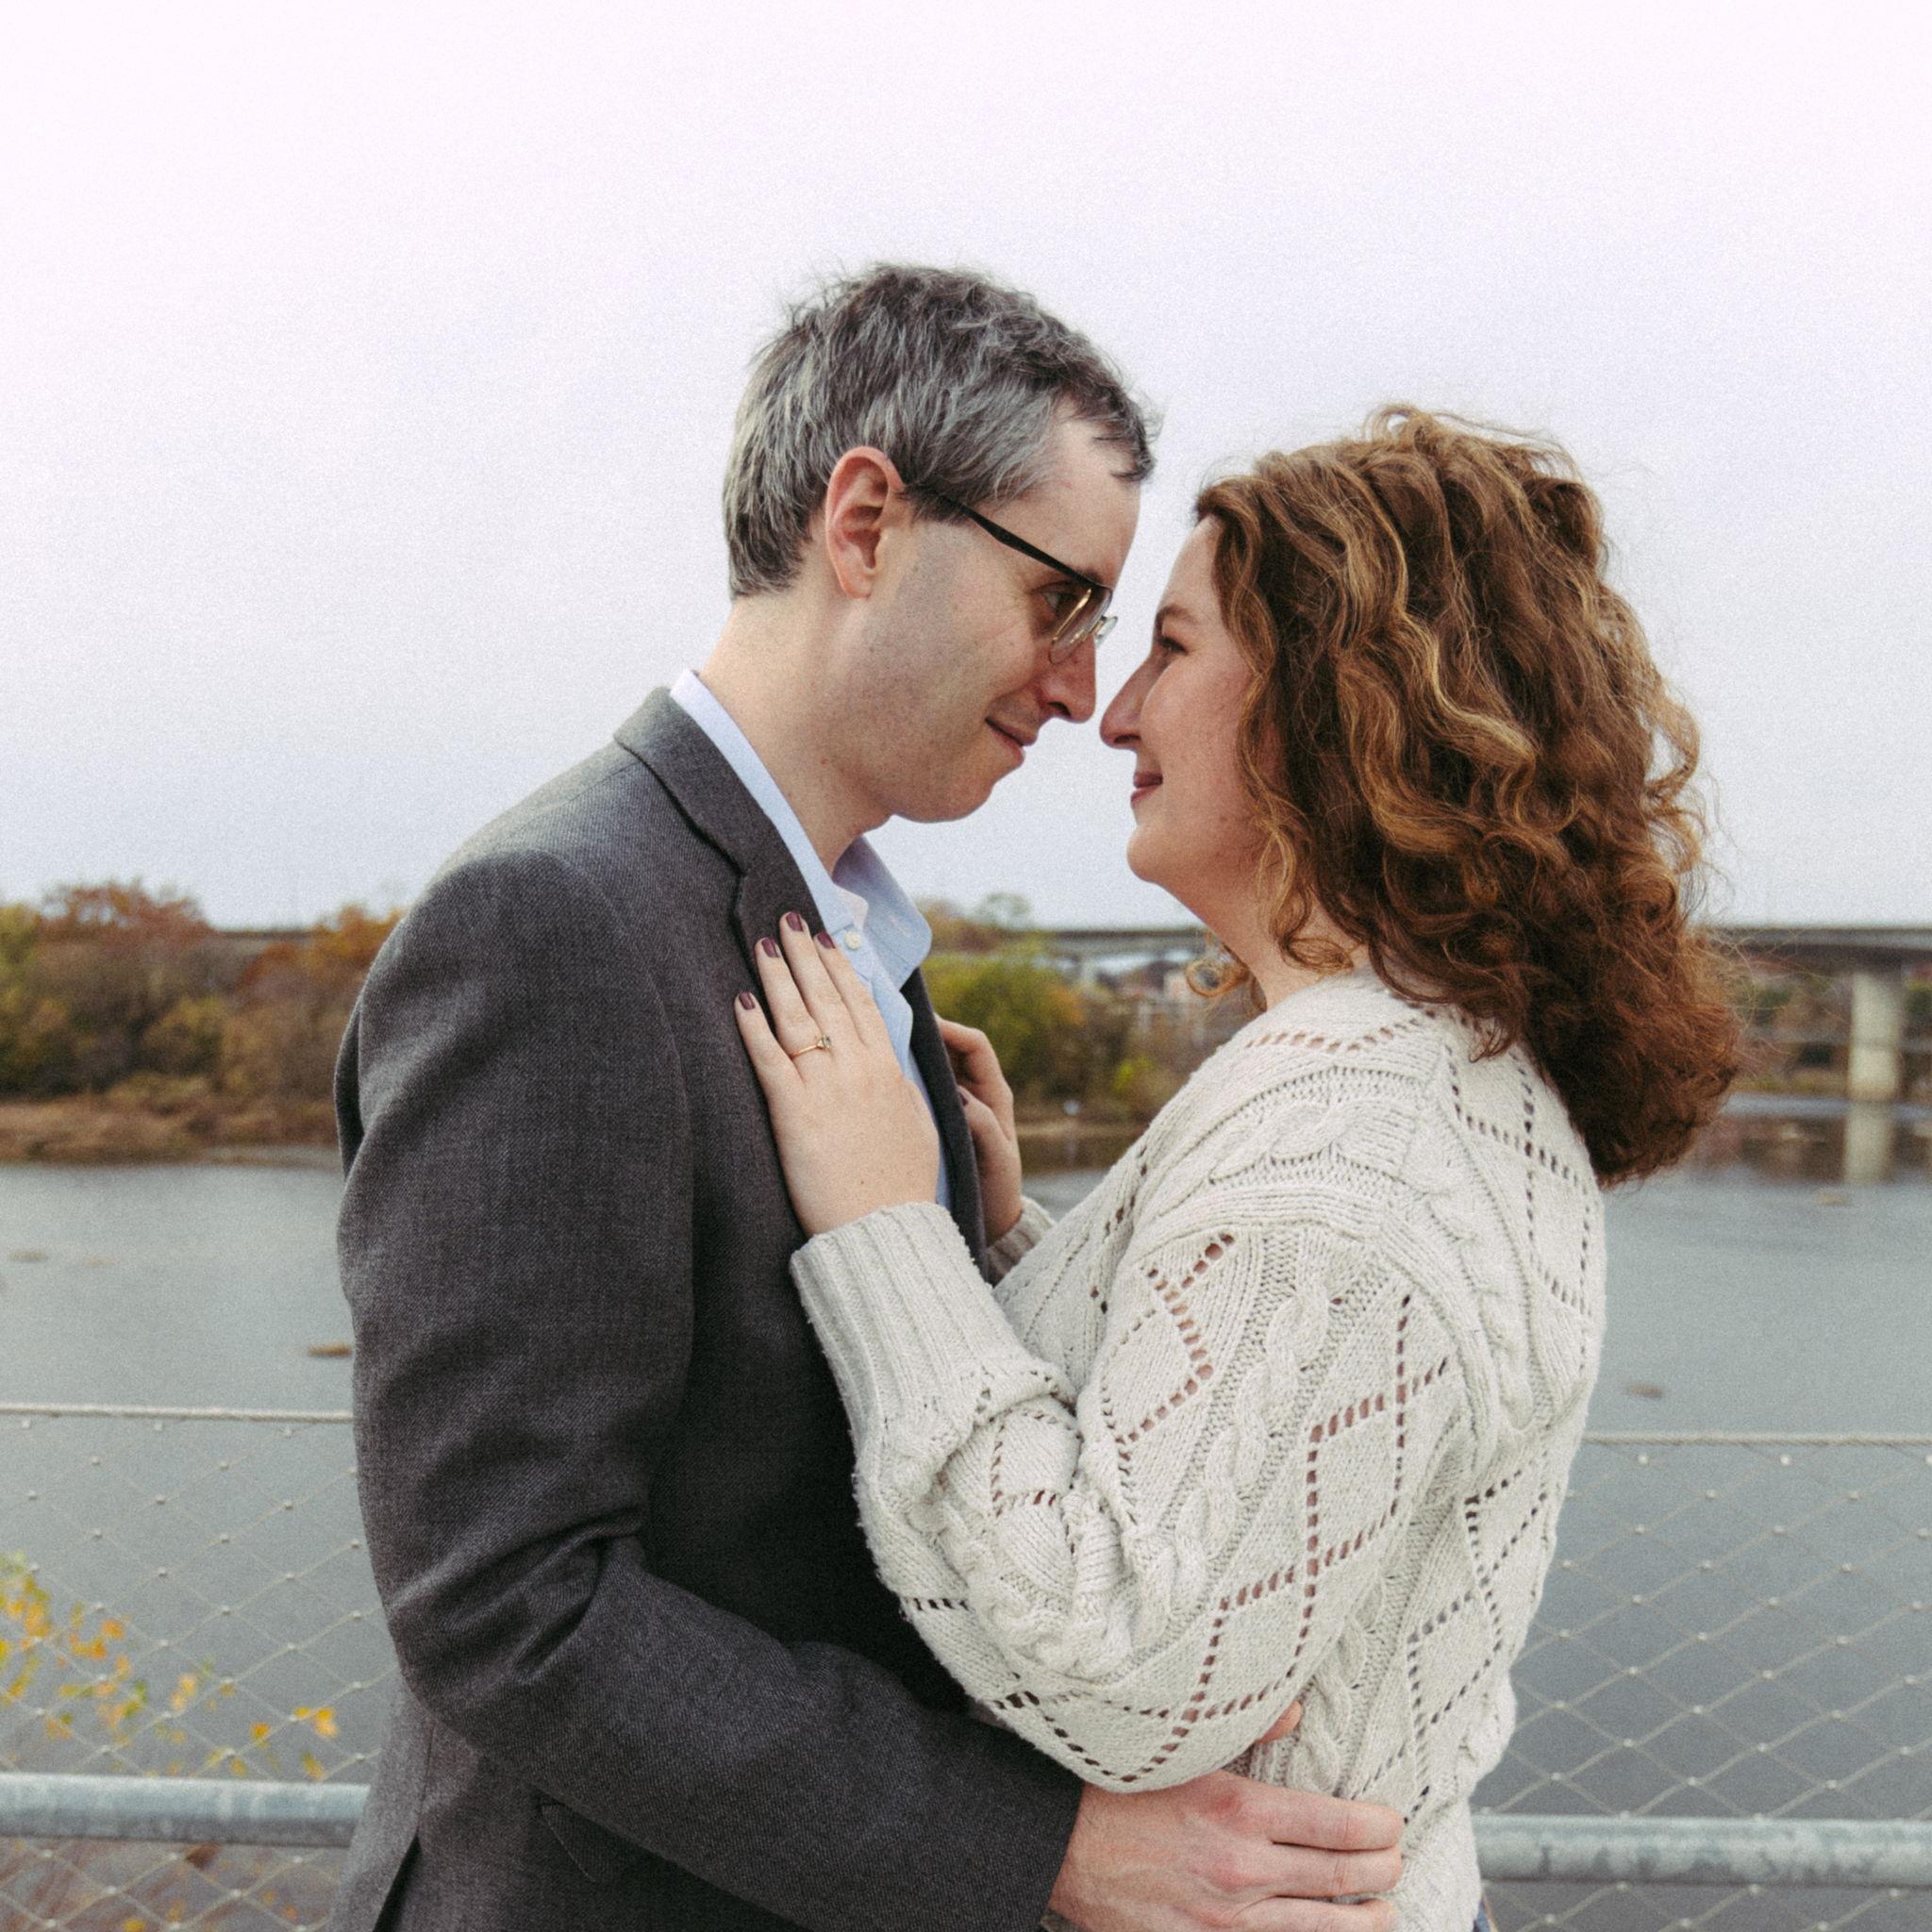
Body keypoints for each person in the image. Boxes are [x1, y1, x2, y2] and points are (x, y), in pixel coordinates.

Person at [328, 265, 1407, 1932]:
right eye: (1061, 601)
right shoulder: (553, 924)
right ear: (865, 524)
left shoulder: (854, 940)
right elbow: (506, 1604)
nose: (1081, 688)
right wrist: (1041, 1849)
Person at [736, 408, 1741, 1931]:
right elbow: (1257, 1460)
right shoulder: (1427, 1068)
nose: (1115, 711)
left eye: (1173, 648)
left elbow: (1120, 1658)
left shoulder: (1349, 1129)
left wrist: (889, 1236)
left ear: (1334, 703)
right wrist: (1006, 1252)